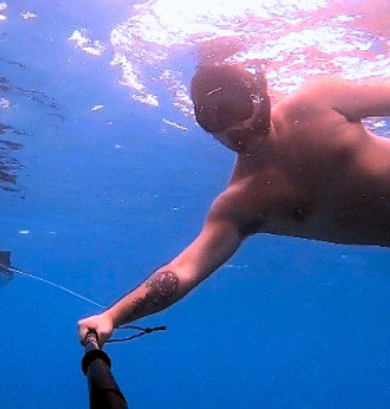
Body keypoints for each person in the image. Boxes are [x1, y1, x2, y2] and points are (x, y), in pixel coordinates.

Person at [78, 63, 390, 346]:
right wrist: (112, 317)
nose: (231, 127)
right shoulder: (240, 202)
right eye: (212, 117)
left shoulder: (319, 101)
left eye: (235, 106)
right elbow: (183, 271)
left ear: (259, 93)